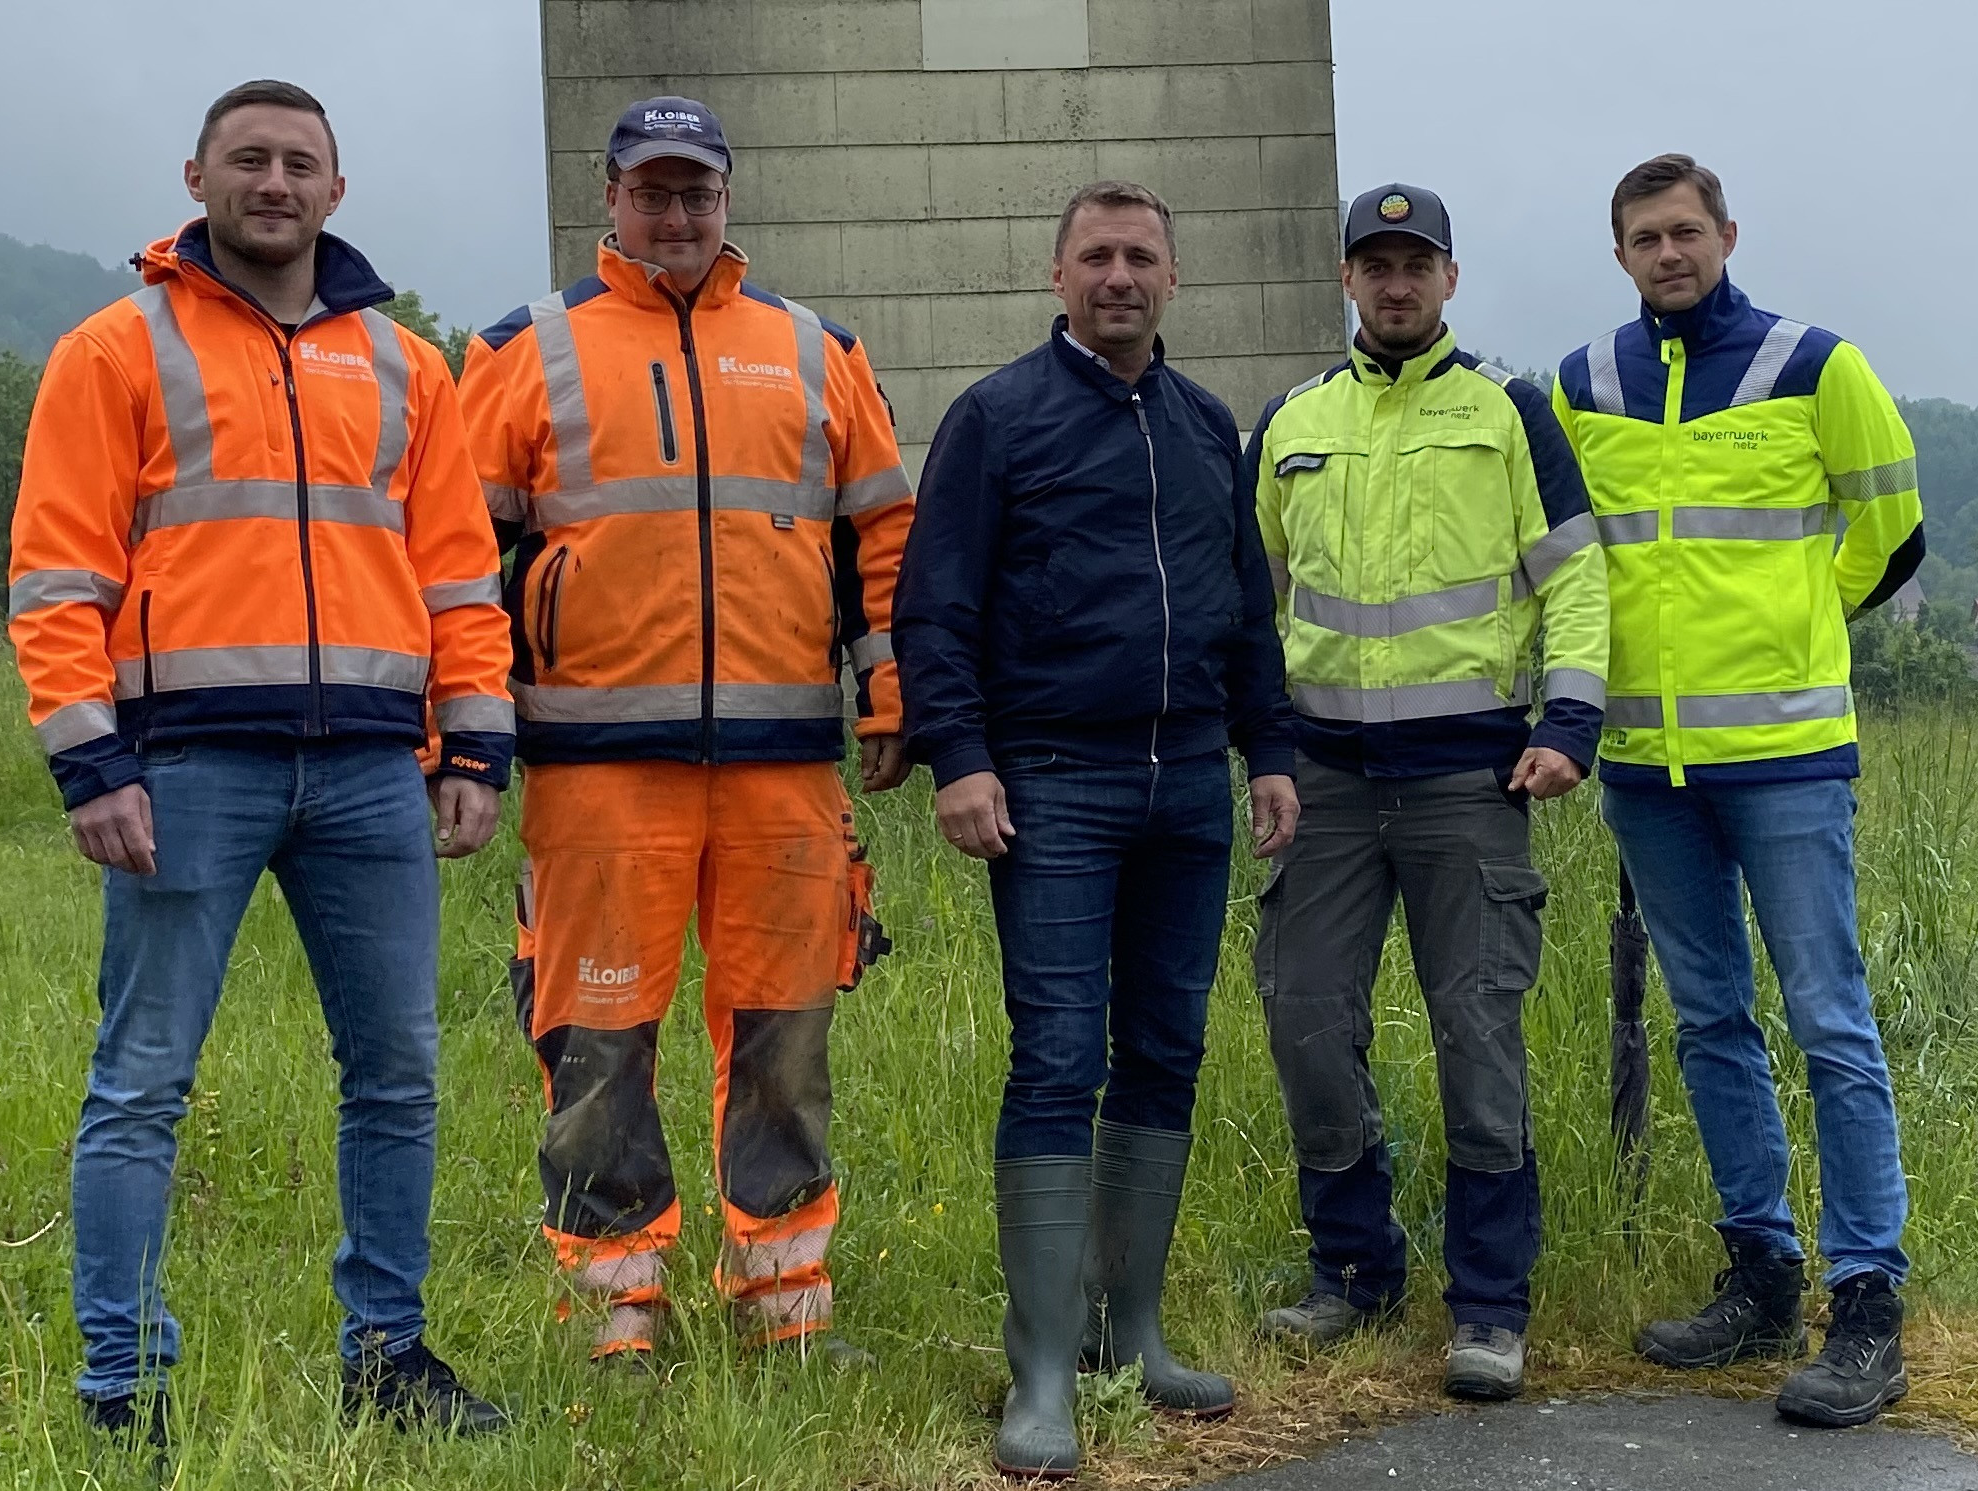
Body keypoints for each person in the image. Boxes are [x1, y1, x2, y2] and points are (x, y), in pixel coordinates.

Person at [6, 78, 511, 1442]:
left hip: (369, 774)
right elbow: (55, 578)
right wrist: (88, 762)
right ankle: (125, 1384)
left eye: (299, 163)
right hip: (184, 772)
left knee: (397, 1068)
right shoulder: (115, 350)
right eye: (249, 161)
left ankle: (387, 1356)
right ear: (199, 177)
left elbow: (461, 574)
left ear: (336, 192)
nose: (274, 182)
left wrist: (474, 739)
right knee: (144, 1079)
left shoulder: (409, 365)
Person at [457, 96, 913, 1366]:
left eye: (696, 190)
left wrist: (887, 695)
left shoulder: (819, 351)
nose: (676, 213)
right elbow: (454, 561)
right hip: (597, 775)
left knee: (784, 1041)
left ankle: (784, 1304)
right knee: (598, 1044)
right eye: (651, 190)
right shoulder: (525, 351)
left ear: (729, 198)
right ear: (608, 198)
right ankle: (614, 1309)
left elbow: (880, 538)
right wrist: (469, 734)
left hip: (779, 771)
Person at [894, 180, 1300, 1480]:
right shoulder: (997, 420)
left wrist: (1270, 749)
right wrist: (960, 756)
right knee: (1058, 1055)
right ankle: (1044, 1373)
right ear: (1057, 273)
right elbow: (933, 606)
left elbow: (1245, 600)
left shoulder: (1201, 424)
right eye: (1097, 256)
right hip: (1053, 784)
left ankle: (1134, 1332)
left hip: (1187, 784)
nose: (1119, 275)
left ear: (1173, 279)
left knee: (1167, 1050)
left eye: (1141, 256)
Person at [1548, 152, 1926, 1430]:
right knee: (1711, 1020)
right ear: (1619, 255)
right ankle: (1761, 1274)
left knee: (1830, 1020)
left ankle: (1867, 1301)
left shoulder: (1817, 367)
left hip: (1786, 757)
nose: (1669, 252)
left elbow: (1891, 533)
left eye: (1686, 231)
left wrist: (1793, 634)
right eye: (1645, 237)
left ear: (1725, 233)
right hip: (1647, 770)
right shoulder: (1580, 385)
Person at [1242, 184, 1603, 1404]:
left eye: (1416, 264)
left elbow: (1576, 578)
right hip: (1327, 784)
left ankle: (1491, 1306)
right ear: (1345, 280)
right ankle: (1355, 1268)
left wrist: (1572, 722)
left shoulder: (1509, 413)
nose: (1395, 285)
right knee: (1304, 1022)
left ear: (1450, 280)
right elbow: (1255, 605)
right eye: (1373, 264)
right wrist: (1262, 753)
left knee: (1478, 1039)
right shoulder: (1293, 422)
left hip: (1467, 780)